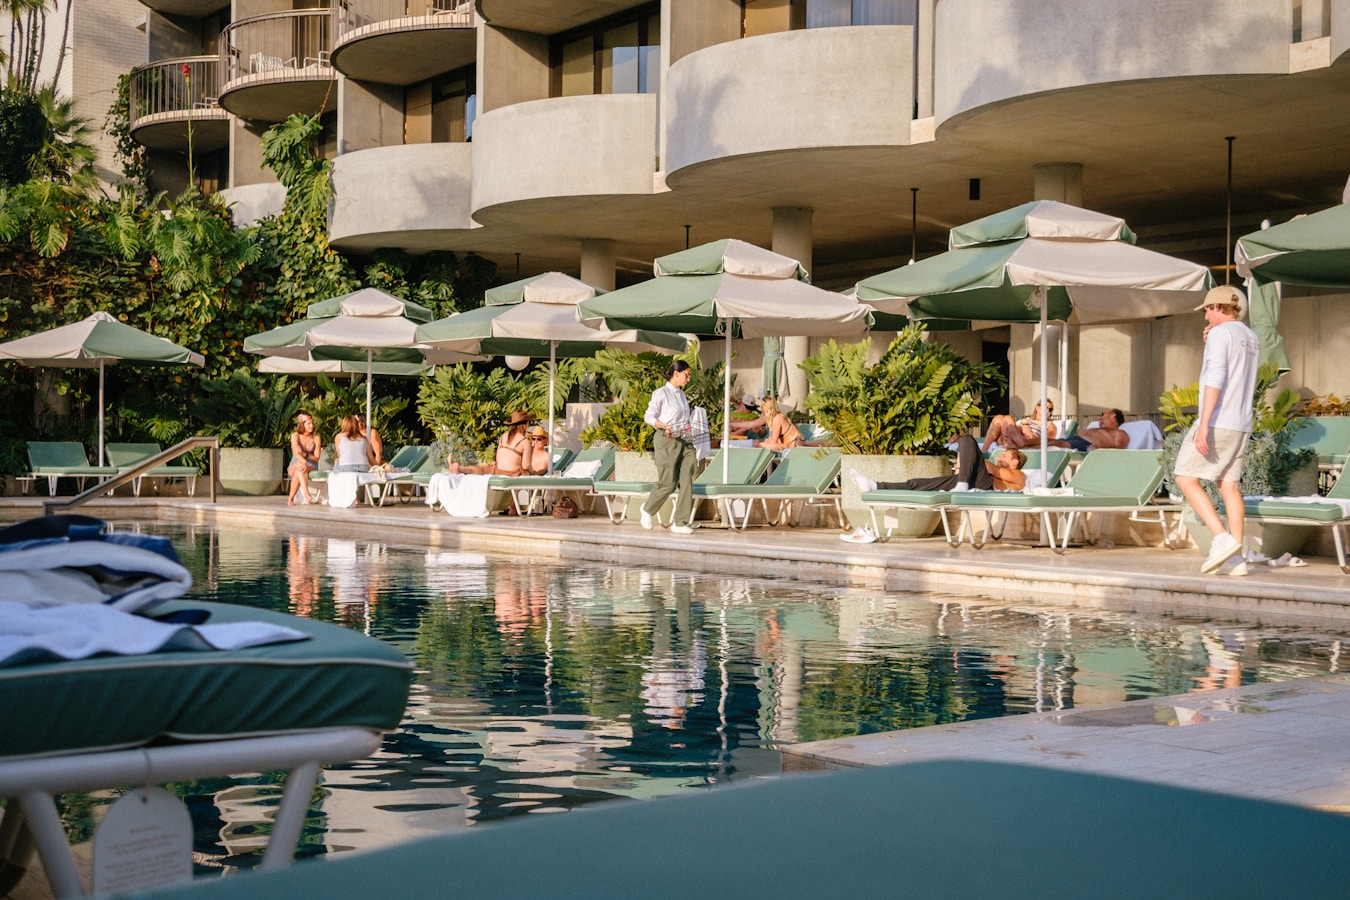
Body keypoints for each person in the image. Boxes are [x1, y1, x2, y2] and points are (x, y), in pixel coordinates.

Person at [1174, 285, 1260, 577]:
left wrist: (1204, 423)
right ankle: (1237, 559)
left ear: (1219, 307)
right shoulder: (1250, 337)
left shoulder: (1220, 335)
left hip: (1219, 420)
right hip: (1242, 422)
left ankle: (1222, 539)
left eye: (1208, 309)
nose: (1205, 316)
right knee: (1228, 486)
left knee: (1185, 478)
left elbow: (1216, 376)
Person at [850, 435, 1027, 494]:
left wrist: (971, 460)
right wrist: (966, 464)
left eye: (1005, 455)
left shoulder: (1020, 475)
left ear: (1015, 462)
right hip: (969, 482)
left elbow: (992, 469)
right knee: (920, 483)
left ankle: (962, 484)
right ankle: (875, 485)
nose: (1000, 456)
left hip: (985, 486)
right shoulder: (994, 469)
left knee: (967, 439)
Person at [641, 360, 698, 535]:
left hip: (684, 439)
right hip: (666, 439)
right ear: (676, 373)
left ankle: (680, 522)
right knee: (668, 482)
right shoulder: (661, 393)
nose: (688, 378)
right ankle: (648, 509)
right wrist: (665, 426)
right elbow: (649, 416)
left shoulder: (682, 395)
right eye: (687, 374)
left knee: (687, 477)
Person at [449, 410, 536, 476]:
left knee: (482, 469)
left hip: (497, 470)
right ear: (525, 425)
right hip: (511, 474)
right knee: (526, 473)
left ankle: (460, 468)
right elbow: (525, 466)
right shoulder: (524, 441)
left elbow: (498, 458)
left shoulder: (504, 436)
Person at [981, 401, 1057, 451]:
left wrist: (1030, 434)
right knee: (998, 418)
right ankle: (984, 451)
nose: (1047, 410)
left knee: (1008, 418)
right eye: (1045, 407)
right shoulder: (1027, 419)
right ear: (1037, 407)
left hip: (1027, 440)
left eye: (1050, 409)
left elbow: (1049, 440)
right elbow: (1013, 428)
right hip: (1012, 437)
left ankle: (1018, 443)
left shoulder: (1050, 424)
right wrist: (1021, 429)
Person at [1054, 408, 1130, 452]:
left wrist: (1099, 450)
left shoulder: (1119, 433)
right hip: (1073, 440)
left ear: (1113, 416)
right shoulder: (1098, 429)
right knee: (1053, 442)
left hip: (1086, 445)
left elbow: (1120, 449)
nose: (1100, 418)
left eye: (1103, 414)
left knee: (1055, 444)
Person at [287, 410, 321, 506]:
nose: (312, 426)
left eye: (312, 423)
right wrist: (303, 461)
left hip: (312, 465)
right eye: (309, 424)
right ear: (302, 425)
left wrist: (305, 455)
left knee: (299, 469)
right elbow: (295, 452)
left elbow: (317, 458)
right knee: (299, 467)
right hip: (296, 463)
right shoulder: (295, 436)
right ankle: (306, 495)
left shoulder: (316, 438)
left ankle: (291, 498)